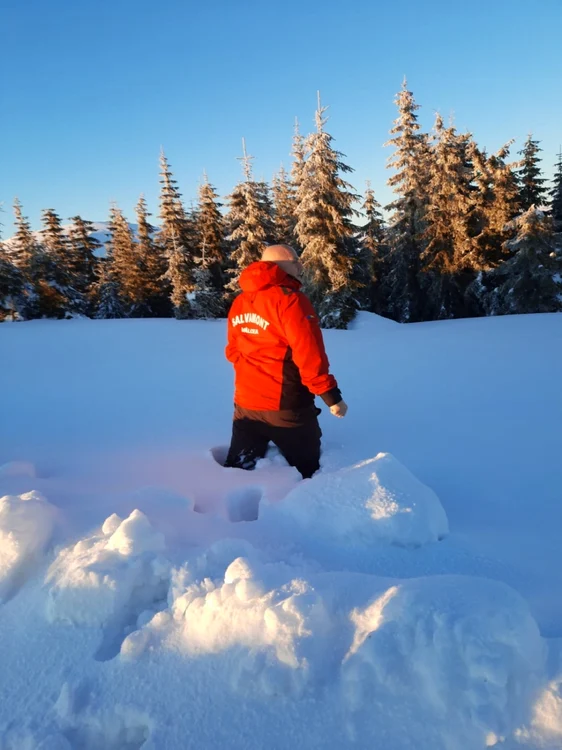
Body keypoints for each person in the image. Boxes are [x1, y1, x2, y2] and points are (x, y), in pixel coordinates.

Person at [224, 244, 348, 479]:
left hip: (246, 407)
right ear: (276, 266)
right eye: (295, 260)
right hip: (287, 406)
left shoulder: (240, 301)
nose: (301, 266)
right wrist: (332, 397)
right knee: (309, 473)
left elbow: (233, 351)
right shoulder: (291, 300)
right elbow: (309, 355)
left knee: (237, 473)